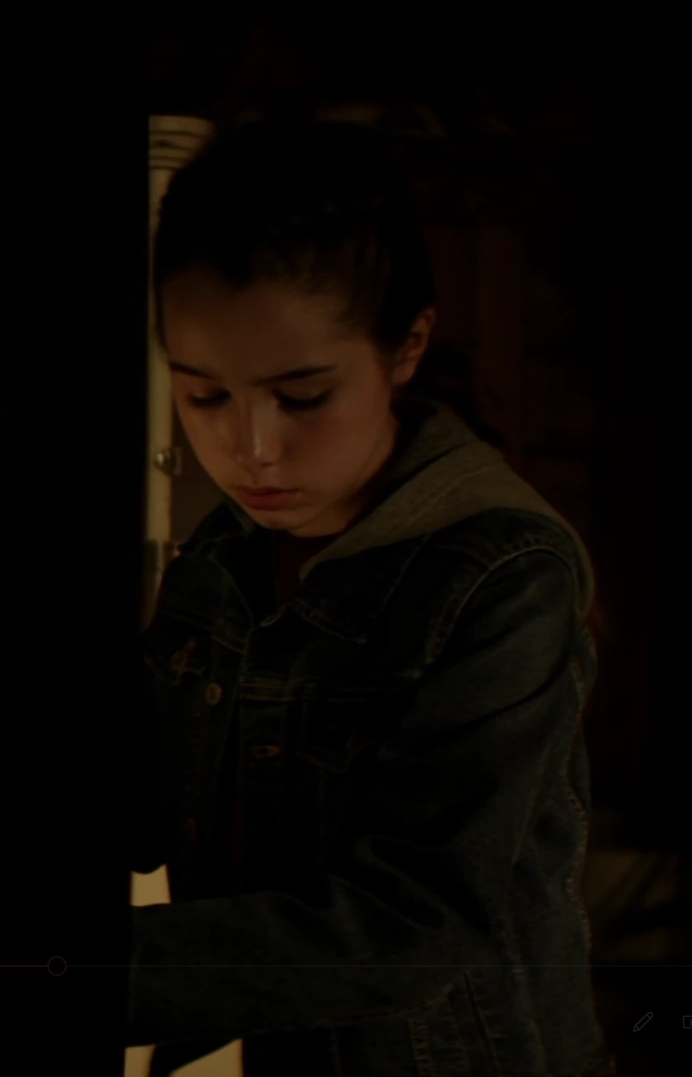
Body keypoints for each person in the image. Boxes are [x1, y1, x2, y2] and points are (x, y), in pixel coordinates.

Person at [128, 119, 615, 1077]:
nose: (252, 450)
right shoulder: (224, 558)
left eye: (303, 396)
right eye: (205, 396)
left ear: (407, 346)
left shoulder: (503, 572)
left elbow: (414, 921)